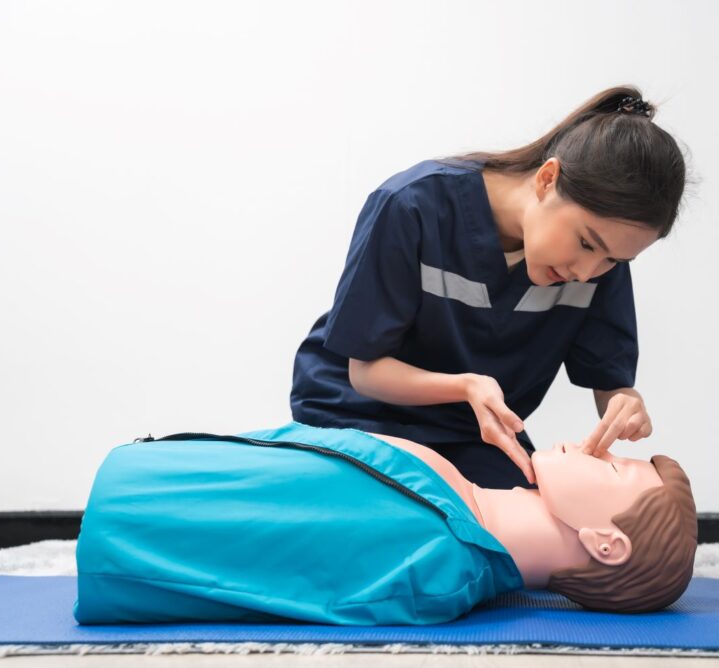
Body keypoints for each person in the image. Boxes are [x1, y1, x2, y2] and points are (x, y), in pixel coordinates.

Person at [290, 85, 690, 489]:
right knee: (409, 520)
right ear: (548, 179)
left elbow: (608, 378)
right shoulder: (411, 205)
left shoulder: (599, 266)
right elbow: (365, 372)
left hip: (472, 433)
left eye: (614, 260)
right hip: (357, 411)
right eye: (587, 243)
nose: (587, 272)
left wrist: (625, 402)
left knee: (531, 531)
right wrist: (465, 386)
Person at [73, 421, 697, 626]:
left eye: (616, 469)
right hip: (147, 480)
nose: (598, 448)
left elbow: (268, 562)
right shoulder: (457, 520)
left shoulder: (435, 564)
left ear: (606, 544)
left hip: (128, 522)